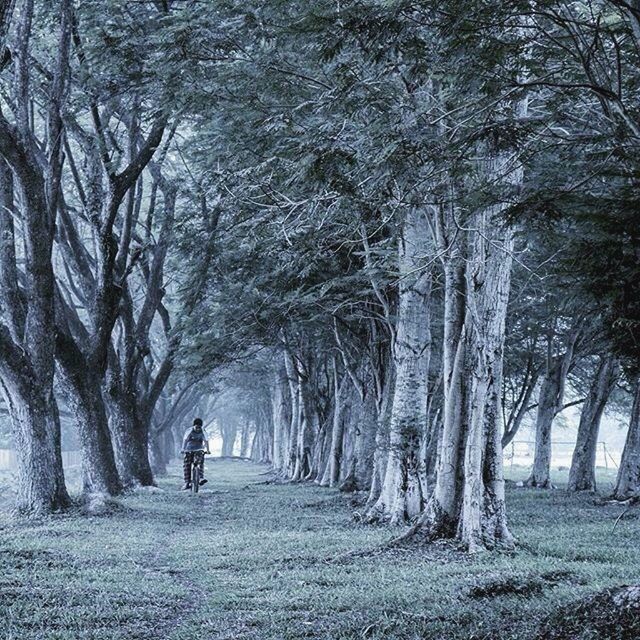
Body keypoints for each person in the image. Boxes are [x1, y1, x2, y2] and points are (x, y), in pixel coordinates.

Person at [181, 418, 210, 490]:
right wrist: (183, 449)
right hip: (188, 449)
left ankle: (200, 478)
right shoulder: (189, 431)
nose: (198, 429)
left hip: (199, 449)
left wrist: (208, 450)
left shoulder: (203, 431)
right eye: (196, 427)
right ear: (194, 426)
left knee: (200, 462)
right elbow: (185, 440)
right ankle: (187, 482)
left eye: (199, 427)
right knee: (187, 465)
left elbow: (206, 440)